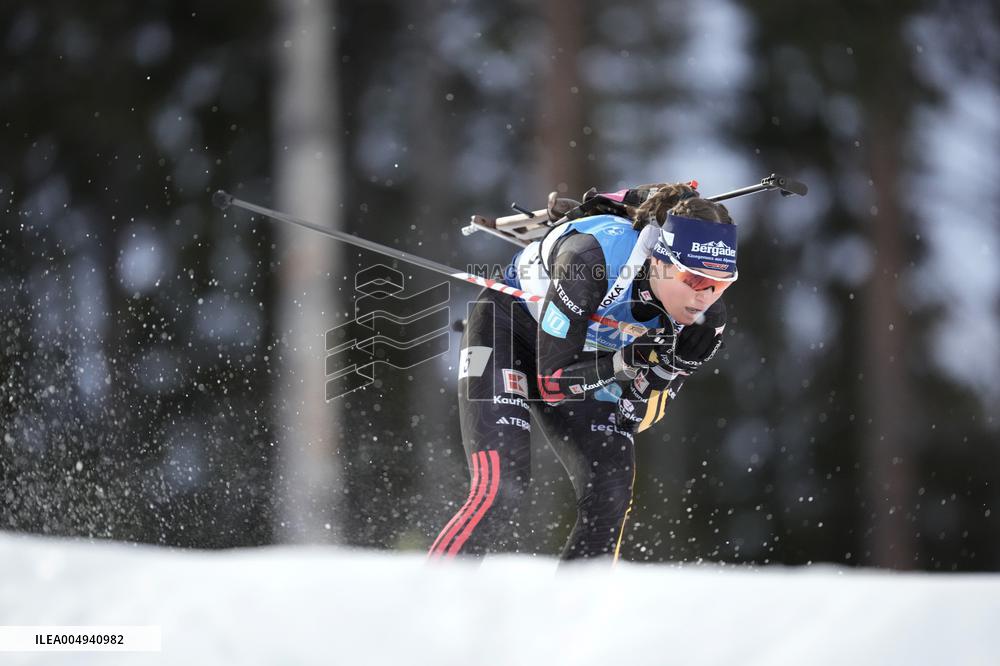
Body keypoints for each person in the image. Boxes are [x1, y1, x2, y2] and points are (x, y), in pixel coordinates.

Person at [427, 182, 736, 562]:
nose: (704, 297)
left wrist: (666, 372)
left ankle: (576, 599)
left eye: (721, 283)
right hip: (509, 328)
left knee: (611, 492)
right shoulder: (589, 259)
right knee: (503, 487)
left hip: (585, 356)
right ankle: (434, 592)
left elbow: (634, 418)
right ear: (659, 261)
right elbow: (552, 382)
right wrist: (623, 363)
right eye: (694, 280)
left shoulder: (705, 318)